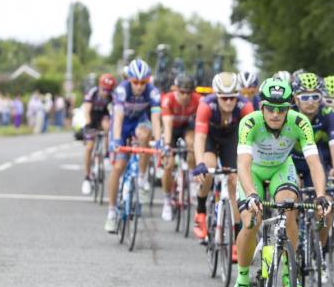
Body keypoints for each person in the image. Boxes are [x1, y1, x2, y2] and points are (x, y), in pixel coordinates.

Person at [230, 78, 331, 287]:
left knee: (289, 208)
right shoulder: (249, 122)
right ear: (261, 107)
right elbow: (243, 165)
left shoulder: (300, 123)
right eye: (271, 108)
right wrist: (252, 194)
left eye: (281, 109)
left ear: (290, 108)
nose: (276, 114)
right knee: (251, 221)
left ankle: (288, 265)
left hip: (280, 169)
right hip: (253, 171)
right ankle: (243, 281)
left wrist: (321, 195)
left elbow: (315, 163)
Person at [192, 72, 254, 239]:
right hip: (210, 137)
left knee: (235, 180)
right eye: (224, 98)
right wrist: (199, 164)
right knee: (209, 169)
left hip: (231, 138)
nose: (228, 101)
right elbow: (199, 138)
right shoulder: (206, 105)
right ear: (216, 95)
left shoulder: (245, 106)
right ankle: (201, 210)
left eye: (232, 98)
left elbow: (254, 139)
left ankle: (236, 236)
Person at [104, 59, 162, 233]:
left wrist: (159, 140)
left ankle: (142, 178)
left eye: (143, 82)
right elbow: (118, 117)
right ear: (129, 80)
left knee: (145, 135)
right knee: (119, 166)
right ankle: (112, 212)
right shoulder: (122, 90)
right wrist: (115, 140)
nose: (138, 86)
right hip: (122, 126)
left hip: (139, 122)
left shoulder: (152, 92)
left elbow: (156, 118)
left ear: (148, 80)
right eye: (135, 82)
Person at [159, 73, 200, 221]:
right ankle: (166, 201)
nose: (185, 96)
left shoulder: (198, 100)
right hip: (172, 128)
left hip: (186, 128)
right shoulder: (168, 100)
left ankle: (191, 177)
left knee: (192, 144)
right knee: (168, 165)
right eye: (182, 92)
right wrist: (167, 147)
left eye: (189, 93)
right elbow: (168, 125)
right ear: (176, 90)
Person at [290, 72, 334, 188]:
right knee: (292, 192)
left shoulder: (328, 113)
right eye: (304, 97)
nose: (310, 102)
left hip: (315, 161)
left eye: (315, 97)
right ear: (295, 98)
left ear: (321, 98)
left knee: (321, 197)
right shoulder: (289, 114)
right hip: (290, 161)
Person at [81, 73, 116, 195]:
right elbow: (86, 110)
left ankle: (106, 155)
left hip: (103, 117)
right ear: (100, 86)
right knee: (89, 146)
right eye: (104, 89)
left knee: (109, 126)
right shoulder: (92, 93)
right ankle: (87, 177)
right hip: (92, 117)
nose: (106, 92)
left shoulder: (112, 96)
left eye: (109, 90)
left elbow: (115, 112)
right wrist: (88, 125)